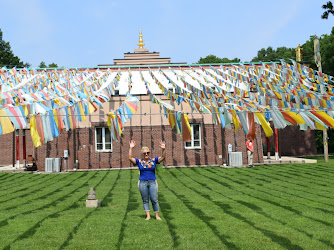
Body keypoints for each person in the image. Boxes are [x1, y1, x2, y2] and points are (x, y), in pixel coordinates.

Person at [129, 140, 166, 220]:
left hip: (152, 182)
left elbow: (163, 158)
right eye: (144, 153)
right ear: (142, 154)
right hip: (142, 182)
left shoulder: (154, 160)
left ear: (149, 153)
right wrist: (131, 148)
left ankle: (157, 216)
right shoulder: (139, 161)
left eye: (148, 153)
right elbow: (130, 158)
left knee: (154, 199)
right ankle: (148, 216)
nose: (146, 154)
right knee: (145, 200)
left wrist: (163, 149)